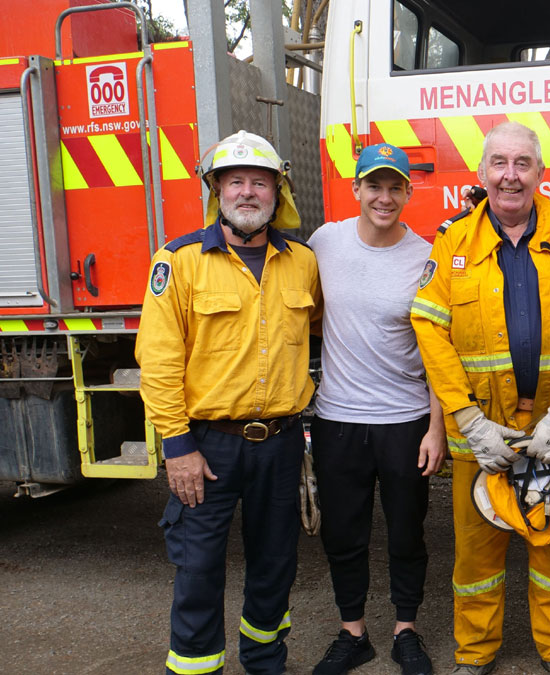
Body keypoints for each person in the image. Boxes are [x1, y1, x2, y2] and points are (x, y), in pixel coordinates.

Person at [410, 121, 550, 675]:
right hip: (483, 431)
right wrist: (468, 421)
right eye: (499, 163)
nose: (510, 176)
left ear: (541, 174)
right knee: (476, 556)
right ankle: (474, 653)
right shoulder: (454, 242)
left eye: (523, 164)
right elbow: (429, 329)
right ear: (481, 173)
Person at [137, 130, 321, 675]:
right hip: (207, 448)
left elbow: (318, 332)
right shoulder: (179, 261)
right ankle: (196, 666)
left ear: (277, 192)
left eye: (258, 182)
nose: (247, 192)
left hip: (282, 443)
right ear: (216, 189)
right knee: (198, 569)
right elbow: (161, 360)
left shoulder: (303, 262)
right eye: (234, 181)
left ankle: (266, 662)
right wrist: (177, 446)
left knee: (275, 565)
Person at [307, 143, 446, 675]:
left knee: (408, 532)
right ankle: (353, 632)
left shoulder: (423, 255)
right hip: (338, 418)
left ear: (409, 192)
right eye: (374, 186)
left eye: (395, 187)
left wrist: (435, 429)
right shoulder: (325, 243)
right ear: (356, 190)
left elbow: (436, 350)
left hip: (405, 421)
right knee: (345, 532)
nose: (383, 197)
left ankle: (405, 630)